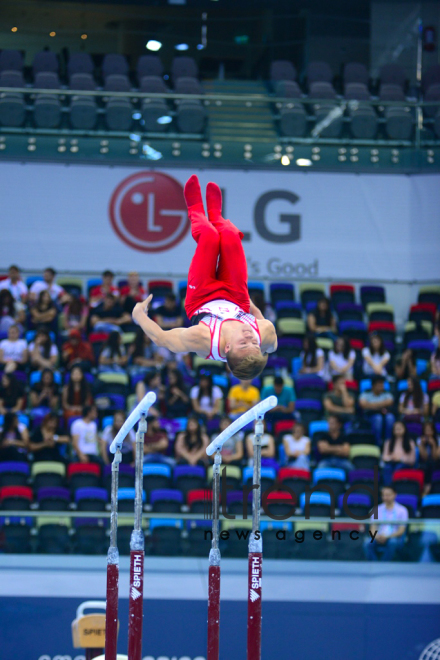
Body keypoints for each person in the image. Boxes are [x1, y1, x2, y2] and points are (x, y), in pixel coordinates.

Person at [131, 175, 277, 380]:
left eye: (243, 343)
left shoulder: (204, 340)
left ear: (226, 348)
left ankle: (196, 210)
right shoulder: (266, 335)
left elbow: (162, 339)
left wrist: (139, 316)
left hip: (202, 297)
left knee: (209, 236)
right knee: (229, 236)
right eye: (254, 344)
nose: (250, 337)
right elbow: (263, 329)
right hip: (236, 297)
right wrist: (248, 301)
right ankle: (216, 215)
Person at [364, 485, 407, 561]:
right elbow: (372, 528)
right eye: (383, 495)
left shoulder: (402, 510)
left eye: (388, 495)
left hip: (393, 536)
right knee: (367, 543)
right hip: (378, 536)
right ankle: (374, 564)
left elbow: (401, 530)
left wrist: (388, 536)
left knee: (392, 543)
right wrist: (377, 536)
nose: (385, 497)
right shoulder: (376, 509)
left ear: (394, 495)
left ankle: (384, 564)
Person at [359, 375, 395, 444]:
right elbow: (363, 404)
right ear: (373, 385)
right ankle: (377, 443)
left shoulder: (386, 394)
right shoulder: (366, 394)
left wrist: (371, 405)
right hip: (370, 416)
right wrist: (382, 405)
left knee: (390, 418)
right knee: (378, 419)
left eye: (382, 384)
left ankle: (388, 443)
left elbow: (390, 402)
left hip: (385, 415)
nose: (382, 386)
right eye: (379, 384)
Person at [381, 421, 416, 486]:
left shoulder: (410, 442)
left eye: (400, 429)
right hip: (392, 462)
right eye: (396, 429)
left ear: (404, 429)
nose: (398, 431)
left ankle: (395, 486)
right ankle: (388, 487)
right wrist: (391, 458)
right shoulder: (388, 442)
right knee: (387, 468)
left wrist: (401, 459)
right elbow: (384, 457)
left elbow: (412, 460)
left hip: (404, 464)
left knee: (398, 468)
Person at [418, 421, 440, 488]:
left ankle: (431, 485)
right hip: (424, 462)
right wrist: (422, 445)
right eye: (426, 430)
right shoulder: (419, 440)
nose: (428, 433)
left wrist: (433, 445)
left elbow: (435, 456)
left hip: (436, 462)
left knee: (432, 463)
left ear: (433, 431)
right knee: (426, 464)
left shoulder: (438, 439)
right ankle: (426, 485)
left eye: (430, 430)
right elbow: (424, 457)